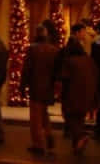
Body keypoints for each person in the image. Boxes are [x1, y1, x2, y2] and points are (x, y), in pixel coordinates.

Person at [59, 23, 98, 155]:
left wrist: (62, 95)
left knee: (71, 117)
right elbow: (95, 75)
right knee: (79, 118)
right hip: (87, 94)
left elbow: (65, 79)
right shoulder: (87, 60)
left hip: (73, 94)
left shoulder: (69, 61)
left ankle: (80, 136)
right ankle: (77, 145)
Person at [21, 24, 58, 156]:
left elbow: (27, 69)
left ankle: (39, 144)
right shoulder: (53, 50)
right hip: (48, 88)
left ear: (37, 34)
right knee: (44, 114)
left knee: (36, 117)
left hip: (36, 86)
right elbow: (56, 71)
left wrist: (23, 85)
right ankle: (49, 135)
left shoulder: (32, 49)